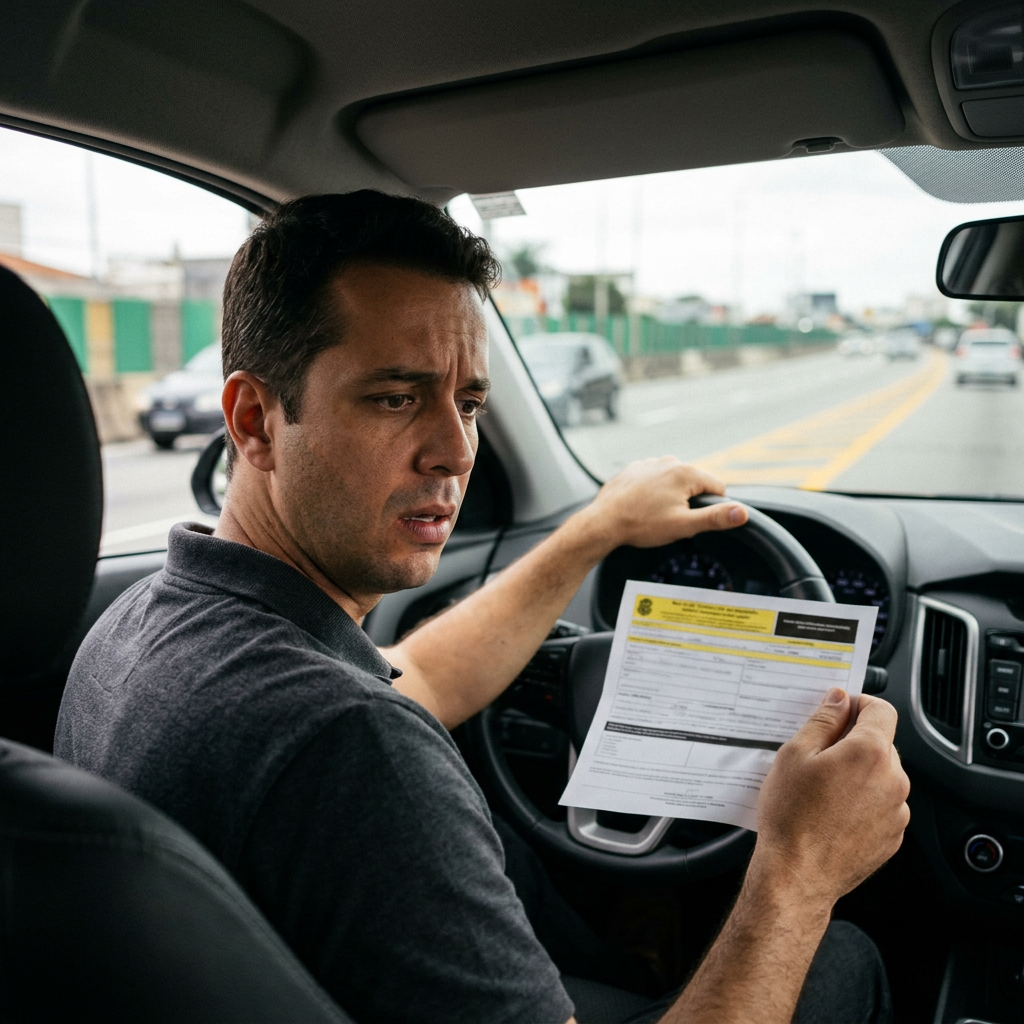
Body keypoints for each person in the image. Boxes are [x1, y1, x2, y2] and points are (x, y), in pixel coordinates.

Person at [55, 191, 909, 1024]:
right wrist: (797, 872)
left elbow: (414, 677)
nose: (456, 451)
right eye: (395, 398)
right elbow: (367, 721)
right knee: (845, 956)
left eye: (468, 404)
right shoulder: (350, 745)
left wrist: (595, 530)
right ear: (255, 421)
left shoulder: (143, 625)